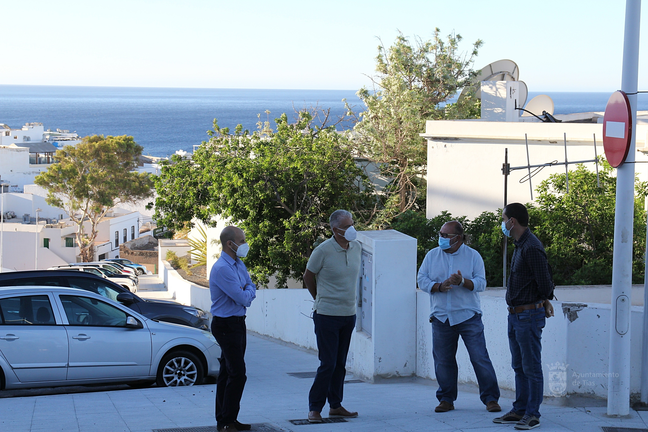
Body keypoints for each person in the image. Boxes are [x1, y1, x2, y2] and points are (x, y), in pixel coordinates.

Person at [417, 221, 501, 414]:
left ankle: (490, 399)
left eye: (446, 235)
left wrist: (462, 281)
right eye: (441, 234)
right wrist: (439, 286)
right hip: (441, 317)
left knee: (480, 358)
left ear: (458, 238)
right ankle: (446, 399)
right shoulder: (432, 255)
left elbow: (481, 283)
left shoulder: (473, 256)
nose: (442, 238)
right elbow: (422, 279)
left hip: (468, 316)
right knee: (443, 360)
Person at [493, 203, 554, 431]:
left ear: (512, 222)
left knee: (531, 367)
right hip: (516, 315)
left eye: (504, 219)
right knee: (519, 365)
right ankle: (519, 409)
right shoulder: (520, 245)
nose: (502, 223)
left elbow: (545, 283)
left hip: (528, 316)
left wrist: (544, 300)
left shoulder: (531, 247)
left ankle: (532, 414)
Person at [303, 209, 362, 423]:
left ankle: (335, 405)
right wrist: (319, 298)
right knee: (327, 364)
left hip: (349, 314)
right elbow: (308, 276)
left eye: (352, 224)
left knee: (340, 364)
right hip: (327, 315)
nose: (352, 229)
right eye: (347, 226)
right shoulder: (323, 250)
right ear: (335, 230)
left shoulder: (356, 248)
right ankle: (314, 408)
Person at [209, 226, 257, 432]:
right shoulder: (222, 269)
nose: (245, 244)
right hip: (226, 324)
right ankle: (226, 421)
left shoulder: (238, 264)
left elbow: (249, 285)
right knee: (238, 373)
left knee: (227, 373)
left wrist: (247, 289)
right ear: (230, 244)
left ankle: (226, 419)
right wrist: (247, 290)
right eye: (242, 240)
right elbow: (244, 297)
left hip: (237, 323)